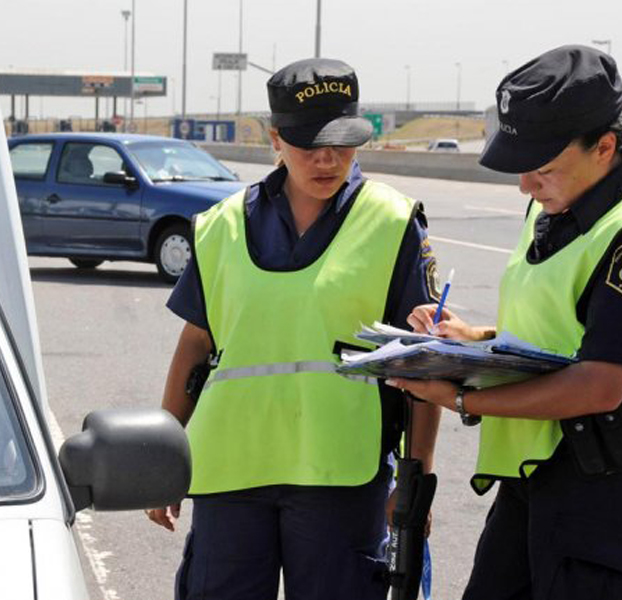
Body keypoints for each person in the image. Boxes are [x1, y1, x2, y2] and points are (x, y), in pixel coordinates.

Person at [147, 58, 442, 600]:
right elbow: (196, 343)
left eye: (343, 142)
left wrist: (416, 478)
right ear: (275, 137)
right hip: (230, 474)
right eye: (309, 143)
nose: (327, 159)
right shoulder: (221, 227)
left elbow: (420, 360)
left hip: (341, 478)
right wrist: (163, 462)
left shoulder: (393, 222)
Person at [387, 45, 622, 599]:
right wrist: (472, 337)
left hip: (605, 502)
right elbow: (562, 329)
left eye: (543, 169)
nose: (526, 186)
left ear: (605, 148)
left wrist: (461, 400)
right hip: (532, 481)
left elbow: (602, 381)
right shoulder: (553, 204)